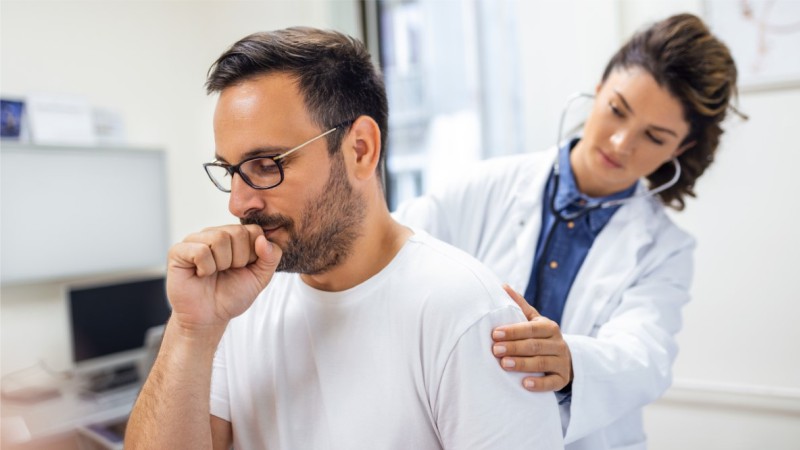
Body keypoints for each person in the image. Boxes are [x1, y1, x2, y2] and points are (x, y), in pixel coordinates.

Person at [124, 27, 563, 449]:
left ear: (360, 150)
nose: (238, 204)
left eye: (265, 164)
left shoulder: (463, 311)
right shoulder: (237, 307)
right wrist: (190, 330)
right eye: (231, 171)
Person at [395, 13, 743, 450]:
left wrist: (572, 361)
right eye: (617, 110)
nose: (620, 143)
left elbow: (645, 355)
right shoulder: (484, 185)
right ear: (598, 91)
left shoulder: (665, 249)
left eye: (654, 137)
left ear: (681, 147)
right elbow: (394, 251)